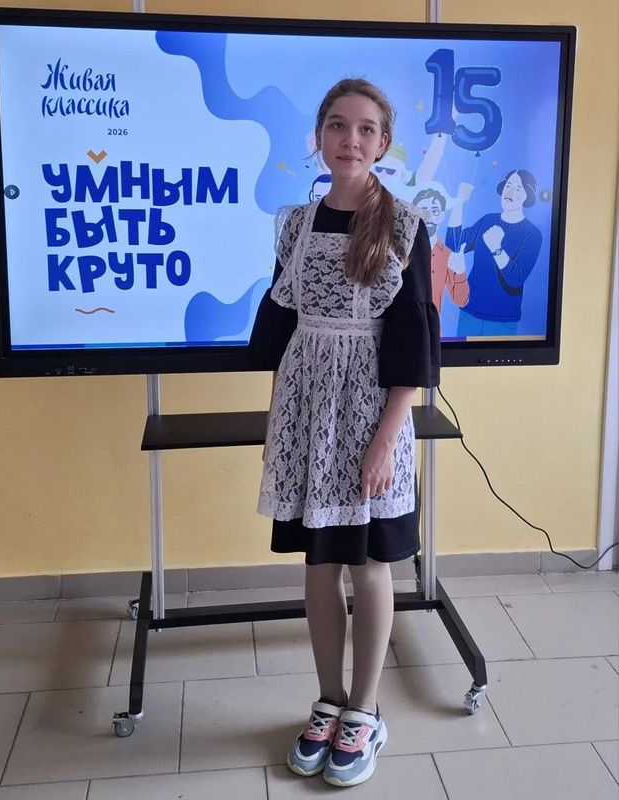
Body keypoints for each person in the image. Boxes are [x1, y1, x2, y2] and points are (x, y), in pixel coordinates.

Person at [249, 78, 440, 788]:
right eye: (336, 125)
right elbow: (282, 329)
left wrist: (386, 440)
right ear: (320, 137)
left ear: (383, 143)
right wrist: (283, 426)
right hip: (307, 414)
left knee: (370, 564)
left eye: (364, 129)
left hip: (370, 418)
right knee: (319, 564)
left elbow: (414, 344)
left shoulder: (404, 227)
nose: (349, 139)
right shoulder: (296, 224)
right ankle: (328, 701)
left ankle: (365, 710)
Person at [446, 170, 543, 337]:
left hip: (503, 320)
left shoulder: (532, 234)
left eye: (518, 188)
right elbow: (453, 245)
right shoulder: (487, 220)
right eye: (508, 185)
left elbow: (516, 278)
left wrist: (497, 249)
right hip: (469, 313)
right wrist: (459, 203)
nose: (510, 192)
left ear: (527, 196)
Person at [412, 186, 469, 316]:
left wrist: (460, 271)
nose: (429, 216)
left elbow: (461, 300)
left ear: (442, 216)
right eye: (423, 210)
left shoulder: (447, 255)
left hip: (431, 327)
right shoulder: (399, 247)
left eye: (435, 211)